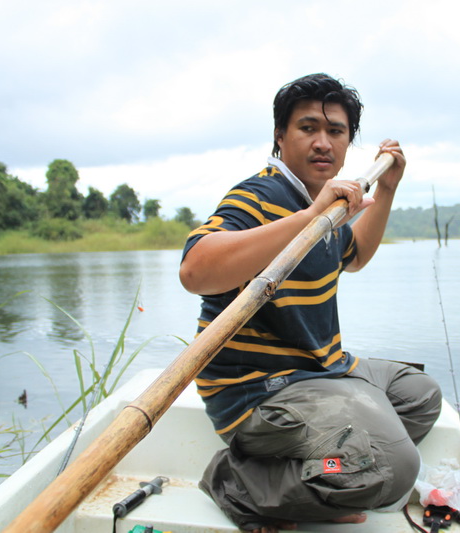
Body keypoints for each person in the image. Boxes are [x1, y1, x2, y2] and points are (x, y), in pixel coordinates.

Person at [179, 73, 442, 533]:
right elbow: (195, 271)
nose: (323, 142)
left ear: (347, 143)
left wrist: (387, 190)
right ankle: (239, 481)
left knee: (419, 398)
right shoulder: (261, 195)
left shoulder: (325, 197)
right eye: (307, 128)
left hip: (321, 370)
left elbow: (353, 255)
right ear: (280, 137)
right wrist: (310, 216)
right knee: (391, 468)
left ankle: (325, 463)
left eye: (335, 132)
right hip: (257, 390)